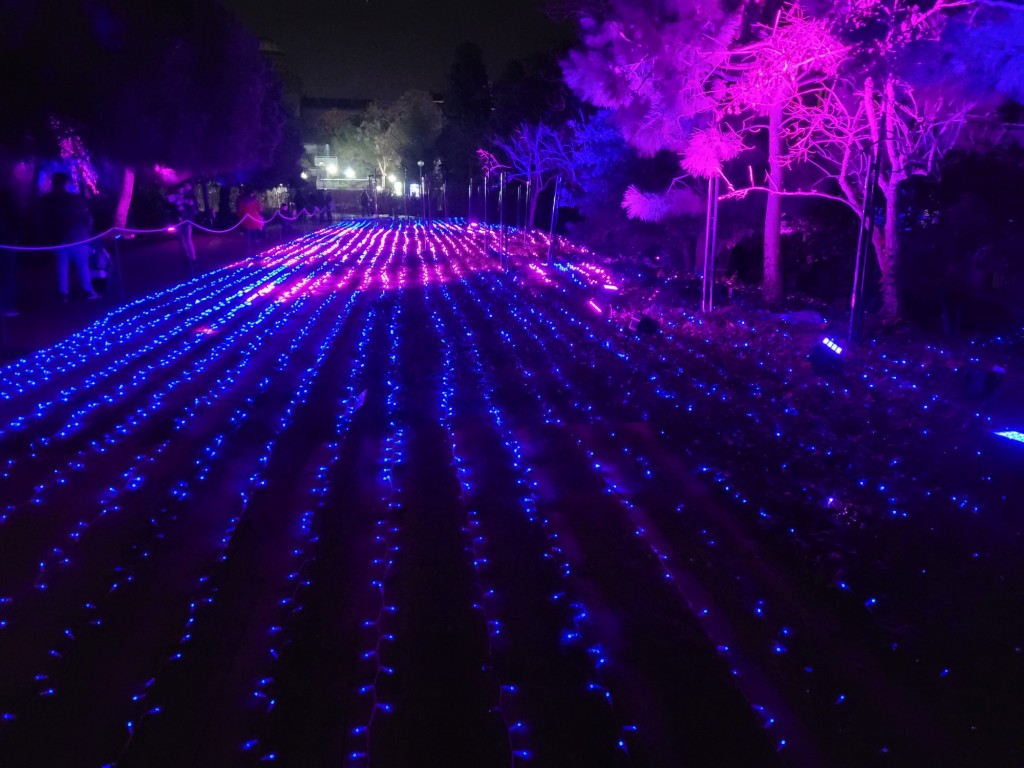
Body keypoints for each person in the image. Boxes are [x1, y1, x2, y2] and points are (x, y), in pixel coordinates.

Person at [37, 172, 98, 302]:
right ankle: (88, 291)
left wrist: (48, 238)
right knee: (82, 266)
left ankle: (63, 294)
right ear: (66, 183)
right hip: (78, 236)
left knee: (62, 267)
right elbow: (85, 217)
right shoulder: (74, 199)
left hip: (59, 239)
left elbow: (44, 221)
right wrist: (89, 231)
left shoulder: (47, 199)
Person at [167, 181, 198, 263]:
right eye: (183, 187)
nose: (184, 188)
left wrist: (186, 206)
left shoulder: (190, 197)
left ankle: (193, 258)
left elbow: (194, 210)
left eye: (187, 186)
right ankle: (186, 257)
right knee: (181, 240)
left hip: (187, 221)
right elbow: (170, 202)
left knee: (188, 239)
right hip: (178, 222)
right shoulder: (176, 197)